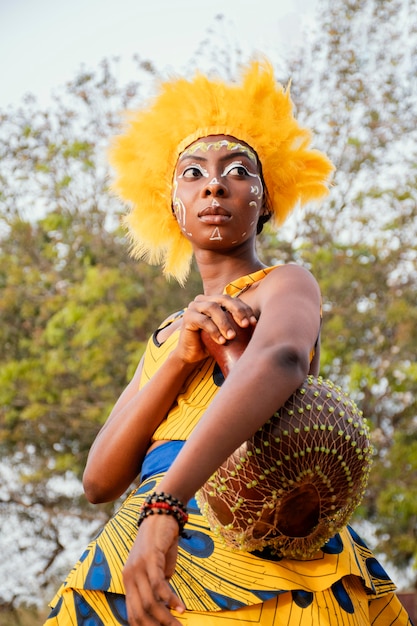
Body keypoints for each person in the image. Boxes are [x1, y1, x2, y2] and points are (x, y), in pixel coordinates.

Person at [45, 60, 413, 626]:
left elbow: (282, 360)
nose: (214, 183)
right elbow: (99, 479)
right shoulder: (170, 332)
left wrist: (166, 508)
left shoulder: (284, 283)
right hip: (141, 553)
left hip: (254, 533)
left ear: (264, 201)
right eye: (192, 173)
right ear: (172, 206)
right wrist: (179, 359)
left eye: (237, 170)